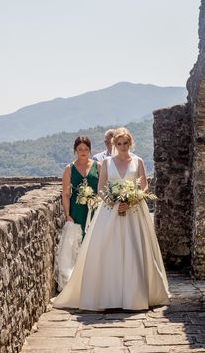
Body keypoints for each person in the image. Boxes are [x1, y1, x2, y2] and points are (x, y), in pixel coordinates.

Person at [54, 127, 170, 311]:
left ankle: (135, 294)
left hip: (134, 211)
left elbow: (145, 186)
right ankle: (109, 295)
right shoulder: (107, 163)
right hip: (110, 210)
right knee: (108, 250)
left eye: (125, 143)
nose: (123, 147)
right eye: (119, 144)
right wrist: (114, 201)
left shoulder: (138, 161)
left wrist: (132, 200)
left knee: (134, 248)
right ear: (114, 144)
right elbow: (101, 187)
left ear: (130, 143)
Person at [61, 136, 99, 236]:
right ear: (75, 150)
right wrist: (67, 215)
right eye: (80, 149)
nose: (83, 152)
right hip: (76, 210)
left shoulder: (98, 166)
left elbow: (103, 188)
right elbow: (65, 194)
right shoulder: (69, 168)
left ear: (90, 150)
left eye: (86, 149)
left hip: (95, 208)